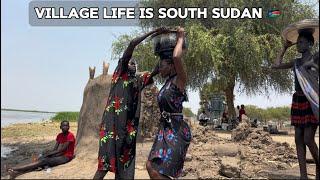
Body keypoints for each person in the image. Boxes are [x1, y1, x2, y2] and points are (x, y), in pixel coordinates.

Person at [93, 28, 167, 180]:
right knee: (105, 164)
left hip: (127, 131)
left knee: (125, 167)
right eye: (131, 62)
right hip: (111, 128)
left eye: (135, 64)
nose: (133, 64)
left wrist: (163, 50)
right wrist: (153, 32)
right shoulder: (119, 74)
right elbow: (132, 44)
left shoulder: (139, 81)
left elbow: (156, 70)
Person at [272, 28, 319, 179]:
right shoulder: (296, 62)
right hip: (298, 100)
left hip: (312, 100)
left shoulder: (316, 58)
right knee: (298, 138)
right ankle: (303, 176)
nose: (298, 45)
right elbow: (276, 65)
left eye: (302, 42)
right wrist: (284, 47)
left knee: (308, 139)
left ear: (310, 44)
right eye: (297, 42)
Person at [146, 27, 191, 179]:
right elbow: (156, 70)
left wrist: (180, 38)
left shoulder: (179, 80)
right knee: (150, 166)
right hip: (164, 129)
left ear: (171, 65)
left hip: (177, 130)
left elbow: (177, 58)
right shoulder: (167, 83)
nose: (159, 68)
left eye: (162, 65)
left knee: (157, 172)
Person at [6, 120, 75, 179]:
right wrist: (48, 154)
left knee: (44, 161)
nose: (65, 127)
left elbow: (61, 150)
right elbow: (55, 148)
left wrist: (48, 155)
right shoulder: (60, 135)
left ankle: (14, 168)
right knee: (40, 160)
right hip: (60, 155)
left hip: (66, 157)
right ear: (60, 127)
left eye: (67, 126)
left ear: (69, 127)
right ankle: (16, 174)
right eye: (63, 126)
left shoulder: (70, 135)